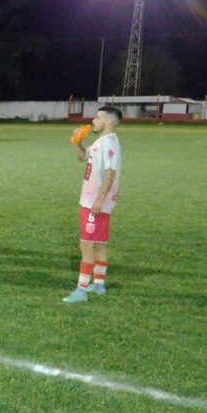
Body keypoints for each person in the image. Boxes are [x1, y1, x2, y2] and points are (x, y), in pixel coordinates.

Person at [63, 106, 123, 303]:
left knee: (86, 245)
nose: (93, 121)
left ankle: (80, 291)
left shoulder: (109, 143)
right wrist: (77, 142)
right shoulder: (102, 141)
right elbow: (83, 158)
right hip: (92, 201)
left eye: (97, 118)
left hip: (93, 203)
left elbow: (111, 172)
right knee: (99, 245)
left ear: (107, 121)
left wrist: (99, 199)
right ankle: (98, 285)